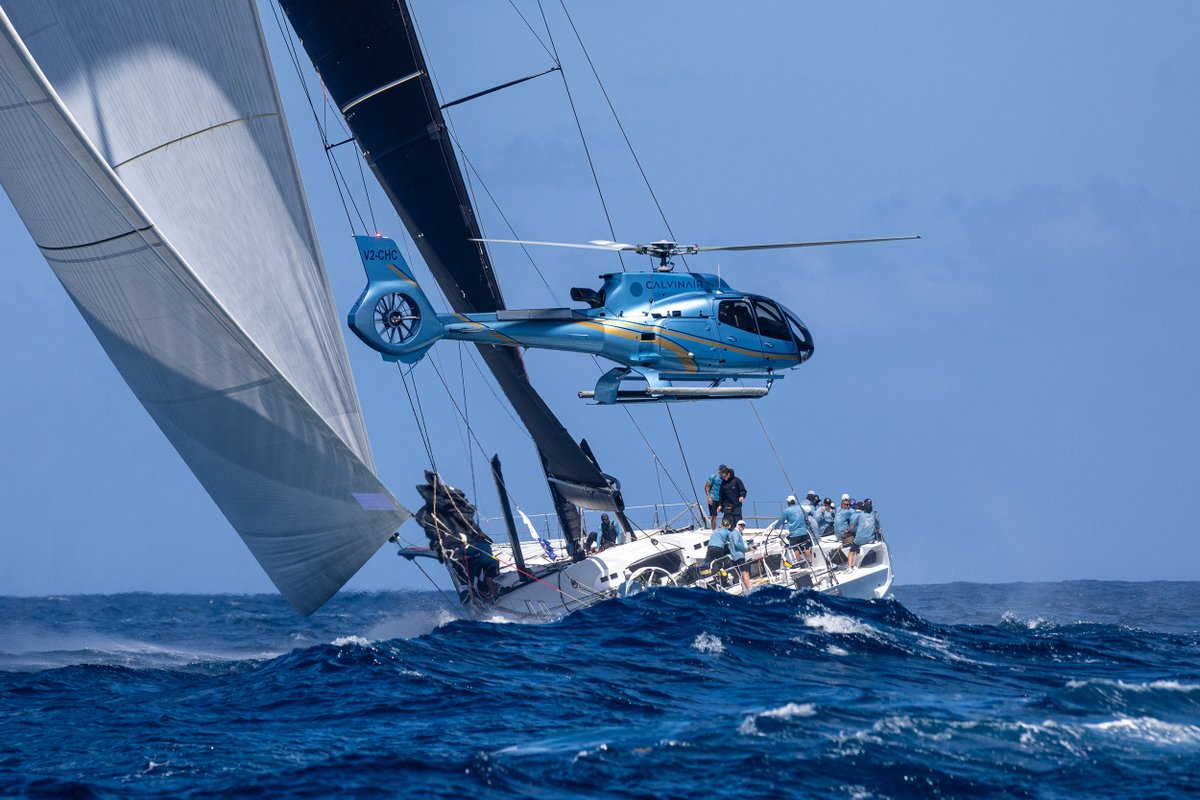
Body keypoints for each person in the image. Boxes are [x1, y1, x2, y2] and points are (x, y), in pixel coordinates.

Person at [704, 521, 752, 591]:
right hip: (719, 548)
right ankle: (724, 582)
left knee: (709, 564)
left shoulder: (716, 530)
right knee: (722, 565)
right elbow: (733, 540)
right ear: (728, 527)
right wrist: (745, 548)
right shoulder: (728, 532)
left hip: (710, 548)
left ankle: (711, 580)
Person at [772, 494, 811, 564]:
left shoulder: (786, 511)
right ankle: (809, 561)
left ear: (788, 503)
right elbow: (806, 516)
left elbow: (781, 521)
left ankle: (799, 563)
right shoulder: (801, 508)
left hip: (794, 534)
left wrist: (775, 527)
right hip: (804, 532)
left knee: (796, 548)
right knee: (806, 547)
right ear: (795, 502)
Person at [465, 530, 499, 598]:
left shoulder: (479, 544)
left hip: (489, 564)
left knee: (489, 580)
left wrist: (462, 550)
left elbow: (470, 552)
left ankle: (494, 596)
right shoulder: (485, 543)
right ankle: (493, 592)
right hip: (491, 563)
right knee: (487, 579)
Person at [704, 465, 727, 530]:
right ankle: (713, 530)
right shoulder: (714, 477)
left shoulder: (726, 479)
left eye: (725, 471)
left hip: (721, 499)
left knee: (727, 512)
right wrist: (709, 497)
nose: (724, 472)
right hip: (713, 498)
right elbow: (706, 487)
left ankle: (724, 526)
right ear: (719, 470)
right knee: (714, 515)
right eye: (722, 470)